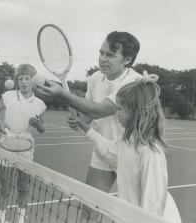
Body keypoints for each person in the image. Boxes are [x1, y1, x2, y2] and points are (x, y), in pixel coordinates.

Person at [36, 31, 142, 221]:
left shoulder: (133, 83)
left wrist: (63, 95)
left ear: (127, 59)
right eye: (101, 53)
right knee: (89, 208)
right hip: (103, 151)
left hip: (132, 156)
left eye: (110, 55)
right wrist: (79, 120)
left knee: (134, 216)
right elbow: (88, 115)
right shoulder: (94, 79)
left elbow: (100, 110)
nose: (102, 59)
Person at [76, 76, 181, 222]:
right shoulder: (127, 141)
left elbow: (152, 203)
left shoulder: (151, 153)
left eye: (119, 109)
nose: (116, 113)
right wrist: (87, 129)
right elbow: (109, 152)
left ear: (136, 112)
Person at [0, 64, 47, 223]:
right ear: (17, 81)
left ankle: (20, 219)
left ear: (33, 81)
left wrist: (38, 125)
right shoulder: (8, 96)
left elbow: (42, 128)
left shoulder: (40, 104)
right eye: (20, 78)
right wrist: (1, 125)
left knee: (23, 187)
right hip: (6, 145)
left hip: (26, 149)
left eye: (27, 78)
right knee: (5, 187)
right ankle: (1, 220)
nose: (23, 82)